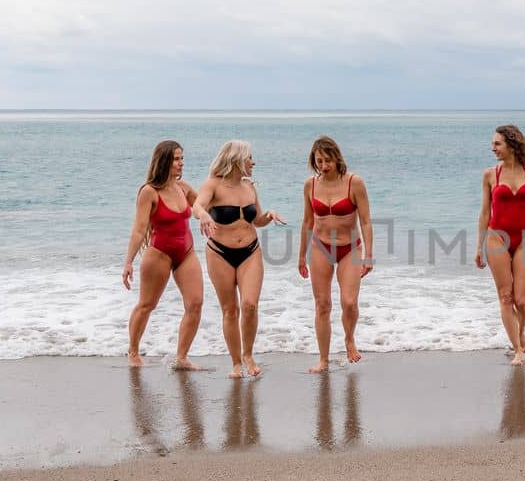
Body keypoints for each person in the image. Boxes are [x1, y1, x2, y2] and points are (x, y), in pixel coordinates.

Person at [193, 140, 287, 378]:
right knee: (230, 310)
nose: (253, 162)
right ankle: (236, 363)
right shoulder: (212, 184)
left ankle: (248, 354)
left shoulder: (249, 187)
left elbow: (256, 221)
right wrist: (203, 214)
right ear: (236, 159)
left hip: (250, 251)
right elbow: (197, 206)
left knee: (250, 305)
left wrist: (269, 216)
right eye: (249, 158)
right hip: (219, 253)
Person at [121, 140, 206, 369]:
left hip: (186, 252)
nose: (181, 164)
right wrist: (128, 262)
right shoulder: (149, 192)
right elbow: (139, 229)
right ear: (165, 161)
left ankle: (181, 357)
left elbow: (203, 207)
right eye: (177, 159)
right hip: (159, 253)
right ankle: (133, 350)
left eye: (182, 159)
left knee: (195, 303)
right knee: (147, 304)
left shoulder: (184, 188)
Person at [297, 136, 374, 373]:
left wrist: (369, 255)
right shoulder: (310, 185)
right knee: (322, 305)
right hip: (321, 247)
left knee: (349, 302)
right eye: (319, 160)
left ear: (337, 158)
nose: (323, 165)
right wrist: (301, 256)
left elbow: (366, 221)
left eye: (327, 160)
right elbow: (308, 222)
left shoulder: (354, 183)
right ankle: (323, 359)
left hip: (349, 248)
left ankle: (349, 338)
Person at [474, 124, 525, 365]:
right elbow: (485, 212)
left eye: (497, 144)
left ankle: (520, 329)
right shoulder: (489, 174)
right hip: (496, 239)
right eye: (493, 144)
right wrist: (478, 247)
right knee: (506, 297)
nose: (492, 148)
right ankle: (518, 348)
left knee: (522, 301)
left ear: (511, 144)